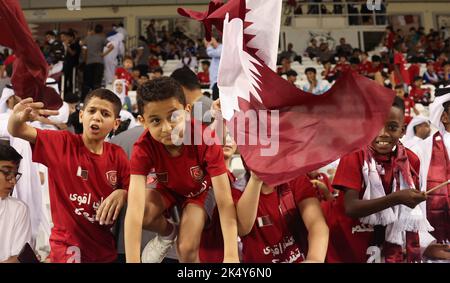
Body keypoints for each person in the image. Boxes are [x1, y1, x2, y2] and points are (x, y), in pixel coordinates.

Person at [7, 89, 130, 263]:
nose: (96, 117)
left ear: (116, 124)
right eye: (92, 111)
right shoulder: (62, 143)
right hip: (67, 248)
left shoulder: (117, 155)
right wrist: (17, 117)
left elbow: (134, 189)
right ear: (81, 116)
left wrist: (123, 192)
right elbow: (17, 130)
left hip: (104, 250)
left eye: (105, 113)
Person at [124, 78, 239, 263]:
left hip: (200, 190)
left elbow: (225, 201)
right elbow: (134, 210)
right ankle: (168, 233)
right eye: (155, 120)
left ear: (186, 111)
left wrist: (231, 256)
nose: (167, 127)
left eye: (173, 116)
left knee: (186, 249)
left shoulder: (205, 139)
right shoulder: (142, 148)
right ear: (143, 122)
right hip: (167, 188)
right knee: (144, 213)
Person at [326, 96, 448, 263]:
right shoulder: (354, 156)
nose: (382, 134)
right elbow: (351, 207)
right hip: (350, 241)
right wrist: (396, 198)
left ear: (403, 130)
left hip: (387, 245)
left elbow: (410, 215)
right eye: (375, 127)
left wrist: (425, 246)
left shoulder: (411, 160)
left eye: (392, 127)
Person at [413, 86, 450, 245]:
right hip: (436, 243)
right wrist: (425, 244)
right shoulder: (421, 150)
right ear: (444, 117)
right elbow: (413, 203)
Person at [0, 144, 32, 263]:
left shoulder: (18, 209)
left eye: (15, 175)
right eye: (7, 172)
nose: (13, 181)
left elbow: (18, 258)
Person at [82, 25, 113, 101]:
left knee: (87, 82)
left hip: (89, 62)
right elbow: (111, 46)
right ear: (102, 31)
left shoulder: (88, 38)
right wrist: (103, 54)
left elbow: (84, 50)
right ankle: (97, 99)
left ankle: (84, 99)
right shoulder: (102, 38)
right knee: (97, 83)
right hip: (99, 62)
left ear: (94, 30)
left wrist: (85, 60)